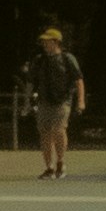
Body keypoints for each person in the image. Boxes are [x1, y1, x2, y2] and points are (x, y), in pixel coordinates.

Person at [24, 27, 87, 180]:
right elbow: (30, 83)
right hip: (44, 101)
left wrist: (81, 101)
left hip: (62, 101)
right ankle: (49, 167)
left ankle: (60, 161)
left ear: (56, 42)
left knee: (59, 130)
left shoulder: (67, 59)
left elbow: (79, 80)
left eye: (47, 41)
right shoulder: (39, 60)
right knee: (44, 133)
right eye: (43, 41)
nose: (44, 44)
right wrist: (26, 102)